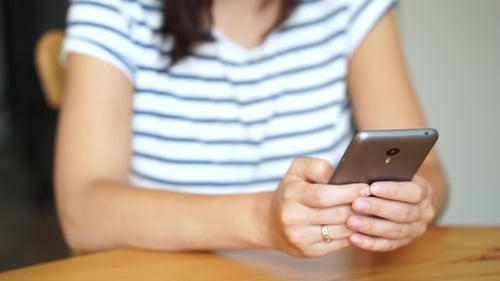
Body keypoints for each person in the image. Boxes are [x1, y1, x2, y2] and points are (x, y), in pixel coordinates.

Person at [55, 0, 448, 257]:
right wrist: (261, 220)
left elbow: (431, 176)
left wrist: (408, 205)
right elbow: (84, 214)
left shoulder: (350, 7)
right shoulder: (116, 8)